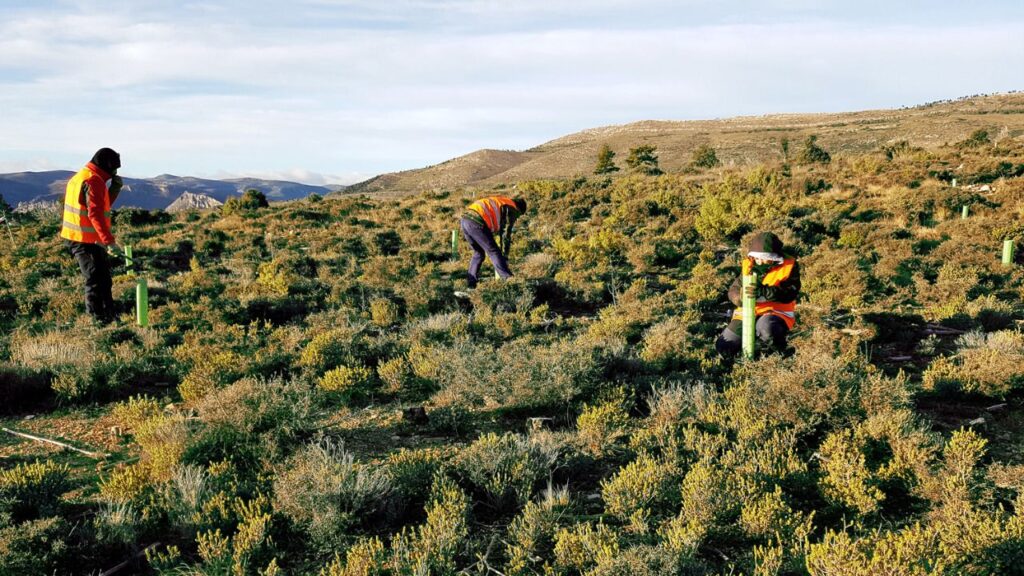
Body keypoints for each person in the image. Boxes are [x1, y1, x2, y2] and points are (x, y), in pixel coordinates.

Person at [60, 148, 124, 323]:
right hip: (84, 240)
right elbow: (95, 214)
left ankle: (108, 315)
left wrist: (115, 188)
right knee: (95, 279)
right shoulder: (93, 180)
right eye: (114, 170)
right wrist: (109, 242)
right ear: (107, 167)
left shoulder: (82, 176)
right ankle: (98, 320)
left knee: (102, 278)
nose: (115, 174)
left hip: (82, 237)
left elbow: (101, 206)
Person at [716, 231, 800, 356]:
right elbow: (733, 290)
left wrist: (764, 292)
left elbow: (790, 293)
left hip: (775, 312)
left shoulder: (788, 266)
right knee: (724, 346)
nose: (761, 261)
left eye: (766, 258)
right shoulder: (748, 265)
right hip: (747, 311)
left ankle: (779, 355)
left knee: (766, 329)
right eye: (758, 257)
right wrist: (740, 298)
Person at [458, 194, 527, 290]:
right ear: (518, 209)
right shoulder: (511, 208)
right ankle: (508, 280)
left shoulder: (502, 201)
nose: (517, 218)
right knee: (494, 251)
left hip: (465, 220)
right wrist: (504, 256)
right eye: (518, 216)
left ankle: (471, 284)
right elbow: (506, 233)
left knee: (479, 253)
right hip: (477, 221)